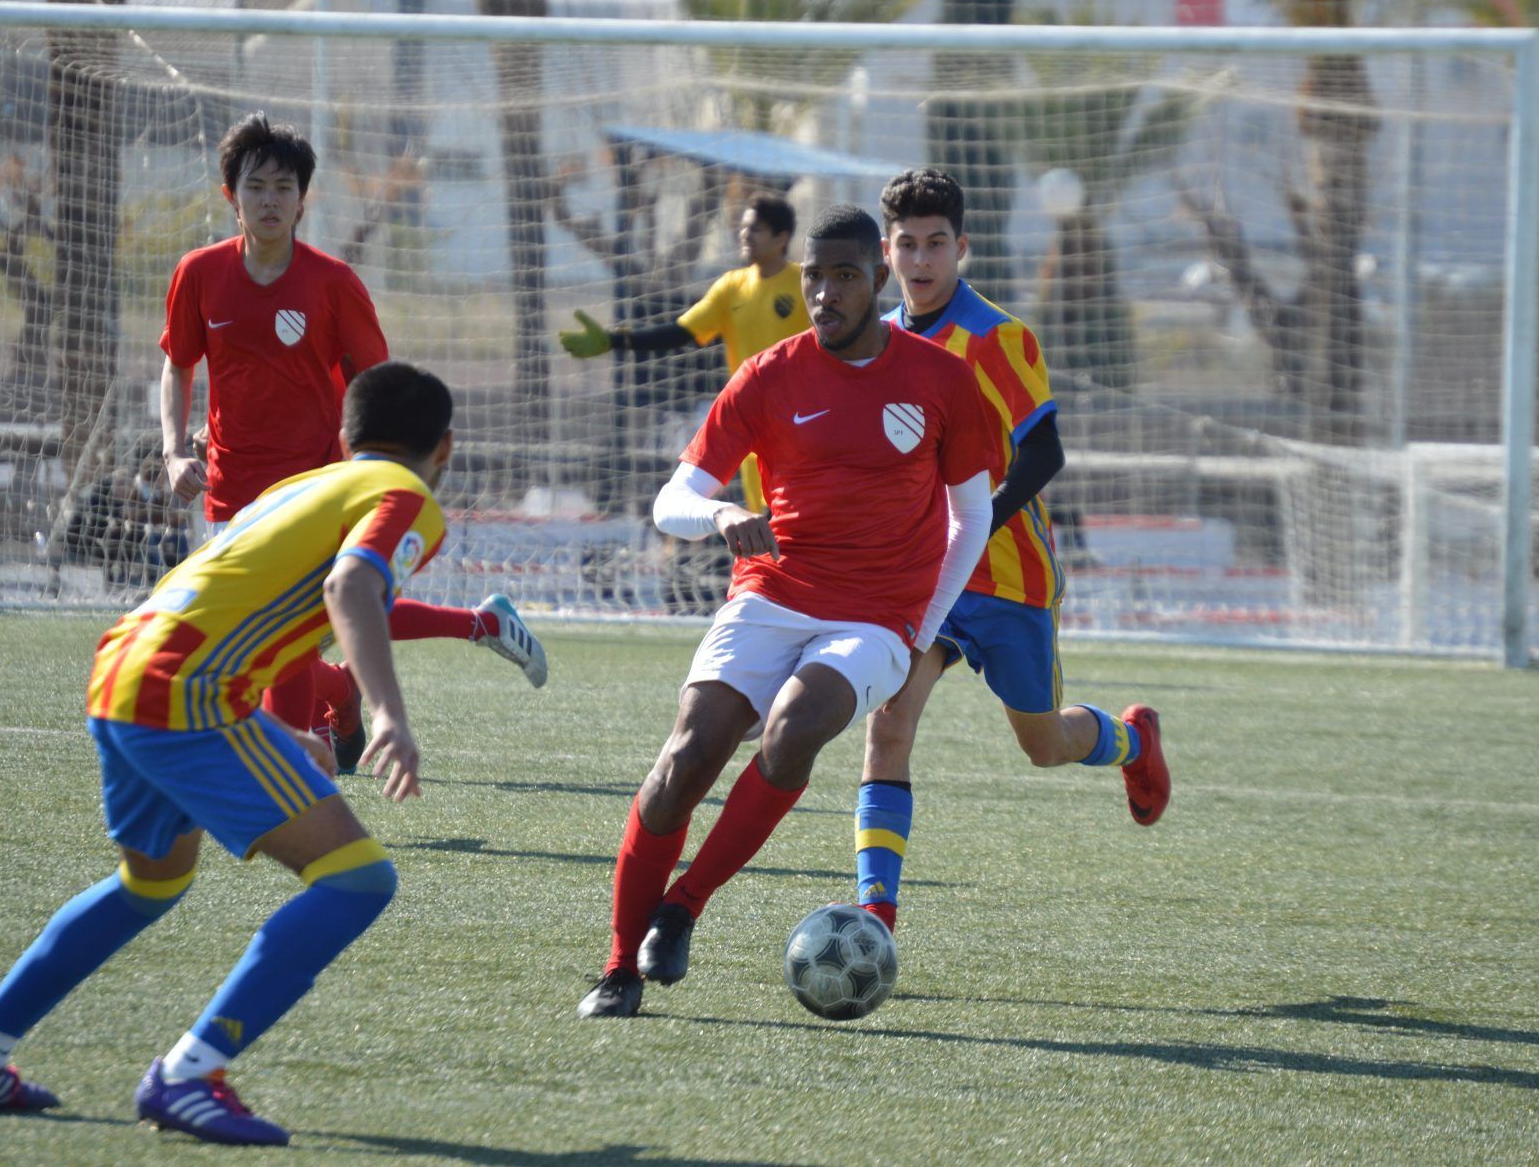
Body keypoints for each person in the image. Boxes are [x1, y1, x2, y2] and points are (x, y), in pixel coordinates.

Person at [0, 362, 457, 1145]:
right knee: (357, 879)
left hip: (124, 667)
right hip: (186, 692)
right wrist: (387, 714)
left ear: (344, 437)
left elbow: (242, 596)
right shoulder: (408, 498)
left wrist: (275, 732)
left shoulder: (299, 487)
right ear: (446, 447)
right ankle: (188, 1074)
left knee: (151, 881)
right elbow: (351, 588)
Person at [577, 204, 998, 1019]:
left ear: (878, 277)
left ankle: (684, 903)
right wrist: (722, 517)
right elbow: (674, 500)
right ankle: (619, 967)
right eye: (815, 277)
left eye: (845, 276)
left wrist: (920, 630)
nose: (827, 294)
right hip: (770, 592)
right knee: (682, 764)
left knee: (795, 726)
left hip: (877, 617)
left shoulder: (941, 379)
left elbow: (970, 515)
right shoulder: (770, 373)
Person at [159, 113, 545, 774]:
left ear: (303, 199)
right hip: (231, 484)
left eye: (285, 187)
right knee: (284, 631)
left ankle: (292, 780)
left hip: (319, 481)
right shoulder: (198, 274)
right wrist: (173, 450)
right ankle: (449, 640)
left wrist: (371, 471)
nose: (271, 199)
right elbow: (178, 362)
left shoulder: (332, 283)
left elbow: (375, 385)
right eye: (258, 186)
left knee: (314, 617)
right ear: (232, 197)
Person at [850, 168, 1170, 934]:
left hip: (1008, 576)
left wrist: (974, 526)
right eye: (906, 246)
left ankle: (1131, 739)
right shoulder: (881, 343)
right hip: (927, 582)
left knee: (1044, 745)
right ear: (886, 255)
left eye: (936, 244)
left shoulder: (998, 337)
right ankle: (875, 917)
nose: (921, 260)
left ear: (961, 248)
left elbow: (1046, 453)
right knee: (889, 726)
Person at [558, 192, 804, 510]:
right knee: (763, 515)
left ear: (781, 237)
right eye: (742, 227)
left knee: (798, 513)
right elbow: (680, 332)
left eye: (755, 228)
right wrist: (613, 340)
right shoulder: (732, 286)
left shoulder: (804, 283)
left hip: (800, 419)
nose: (744, 234)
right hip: (751, 423)